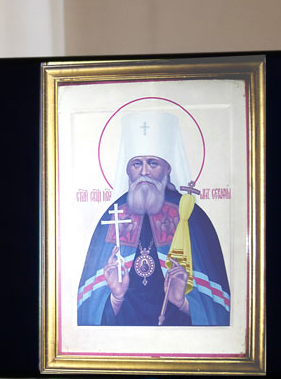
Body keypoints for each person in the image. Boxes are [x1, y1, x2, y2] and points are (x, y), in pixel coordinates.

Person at [76, 110, 230, 326]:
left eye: (153, 163)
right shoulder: (113, 215)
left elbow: (219, 314)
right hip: (123, 338)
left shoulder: (190, 216)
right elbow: (87, 314)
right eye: (137, 164)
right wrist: (116, 298)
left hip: (180, 338)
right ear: (128, 170)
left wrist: (183, 302)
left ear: (167, 168)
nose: (144, 172)